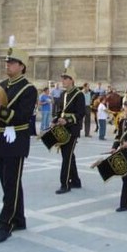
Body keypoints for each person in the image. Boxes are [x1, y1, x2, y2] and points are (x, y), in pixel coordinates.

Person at [0, 45, 38, 243]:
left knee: (11, 185)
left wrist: (0, 110)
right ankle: (19, 218)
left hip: (16, 140)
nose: (7, 65)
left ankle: (5, 224)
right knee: (8, 183)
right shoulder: (1, 86)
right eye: (7, 62)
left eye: (11, 62)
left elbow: (24, 117)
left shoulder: (29, 89)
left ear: (22, 66)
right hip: (0, 139)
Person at [51, 62, 85, 194]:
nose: (63, 80)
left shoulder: (79, 94)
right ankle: (76, 181)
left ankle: (65, 184)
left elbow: (81, 113)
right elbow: (61, 111)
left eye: (65, 78)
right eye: (62, 78)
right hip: (63, 128)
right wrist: (55, 120)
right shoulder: (64, 94)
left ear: (72, 80)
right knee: (69, 155)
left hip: (73, 129)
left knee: (67, 156)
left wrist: (67, 120)